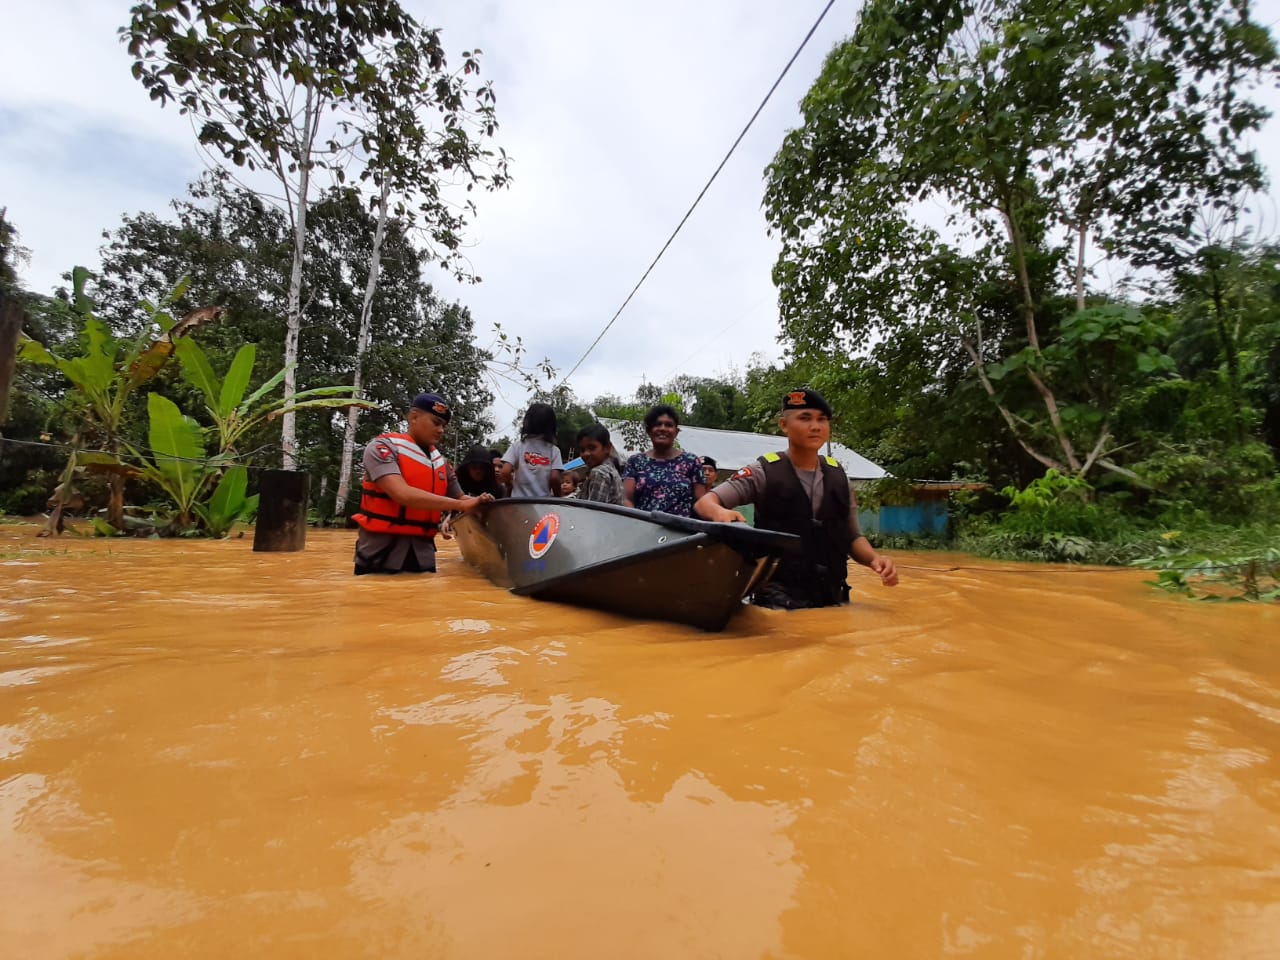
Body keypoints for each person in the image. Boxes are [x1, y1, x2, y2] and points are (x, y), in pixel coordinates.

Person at [694, 388, 898, 608]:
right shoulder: (764, 471)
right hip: (777, 599)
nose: (815, 426)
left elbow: (852, 536)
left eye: (822, 419)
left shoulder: (839, 477)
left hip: (831, 596)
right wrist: (720, 512)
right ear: (784, 425)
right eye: (805, 418)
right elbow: (705, 503)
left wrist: (874, 560)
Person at [352, 393, 492, 576]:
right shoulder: (382, 449)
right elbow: (402, 494)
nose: (441, 430)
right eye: (436, 423)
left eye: (443, 425)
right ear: (414, 417)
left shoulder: (443, 465)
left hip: (422, 557)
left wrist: (483, 504)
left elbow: (461, 498)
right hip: (378, 556)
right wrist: (461, 505)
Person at [623, 404, 706, 516]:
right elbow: (627, 499)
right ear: (648, 430)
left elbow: (701, 501)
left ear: (676, 431)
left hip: (681, 531)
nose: (662, 428)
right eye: (657, 424)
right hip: (643, 529)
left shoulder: (691, 462)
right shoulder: (635, 461)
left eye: (668, 425)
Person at [500, 402, 563, 498]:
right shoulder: (553, 450)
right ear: (551, 425)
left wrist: (510, 485)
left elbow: (505, 471)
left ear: (527, 422)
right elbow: (554, 478)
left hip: (519, 502)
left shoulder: (517, 446)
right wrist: (558, 497)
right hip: (542, 504)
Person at [576, 423, 625, 505]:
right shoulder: (611, 469)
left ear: (607, 448)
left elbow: (593, 512)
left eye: (592, 448)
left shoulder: (600, 472)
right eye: (582, 450)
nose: (586, 454)